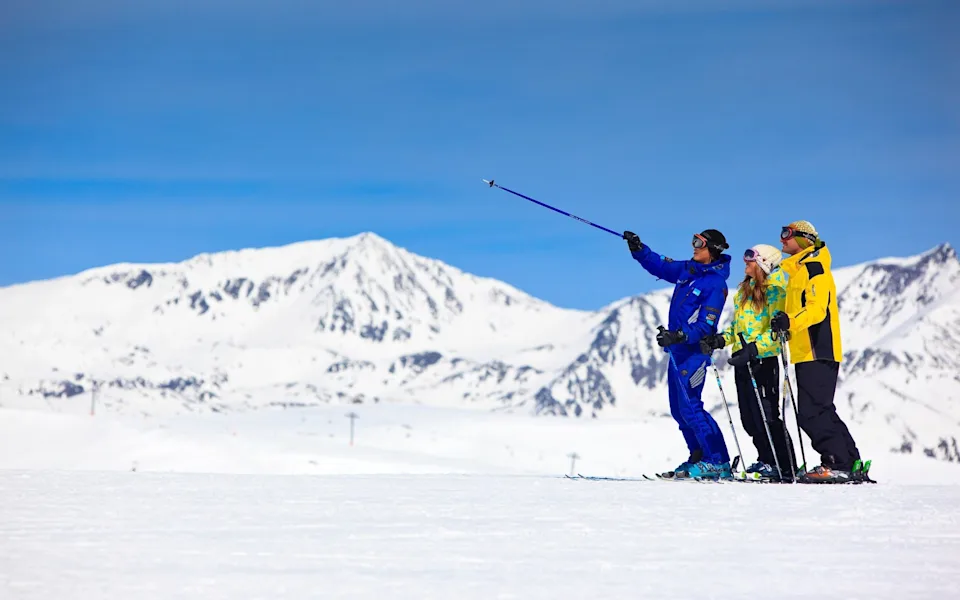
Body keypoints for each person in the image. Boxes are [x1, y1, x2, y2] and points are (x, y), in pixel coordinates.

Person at [622, 228, 733, 479]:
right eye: (694, 240)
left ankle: (717, 461)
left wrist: (679, 335)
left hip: (694, 353)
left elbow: (706, 325)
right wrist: (639, 249)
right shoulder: (688, 270)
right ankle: (699, 456)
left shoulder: (715, 283)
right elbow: (661, 266)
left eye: (699, 243)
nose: (694, 246)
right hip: (677, 352)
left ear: (713, 249)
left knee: (691, 406)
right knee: (679, 409)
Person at [770, 220, 861, 483]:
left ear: (804, 239)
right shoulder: (799, 271)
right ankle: (850, 463)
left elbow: (817, 309)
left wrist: (789, 321)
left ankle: (837, 463)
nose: (782, 239)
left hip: (819, 348)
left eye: (787, 234)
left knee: (812, 413)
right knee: (821, 410)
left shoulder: (814, 267)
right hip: (806, 351)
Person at [700, 244, 797, 480]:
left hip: (763, 360)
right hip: (743, 359)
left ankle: (783, 465)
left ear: (764, 263)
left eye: (751, 259)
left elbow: (776, 332)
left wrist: (753, 349)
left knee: (767, 415)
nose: (745, 262)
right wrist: (720, 339)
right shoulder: (744, 291)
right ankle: (765, 460)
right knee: (749, 418)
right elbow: (737, 327)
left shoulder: (776, 292)